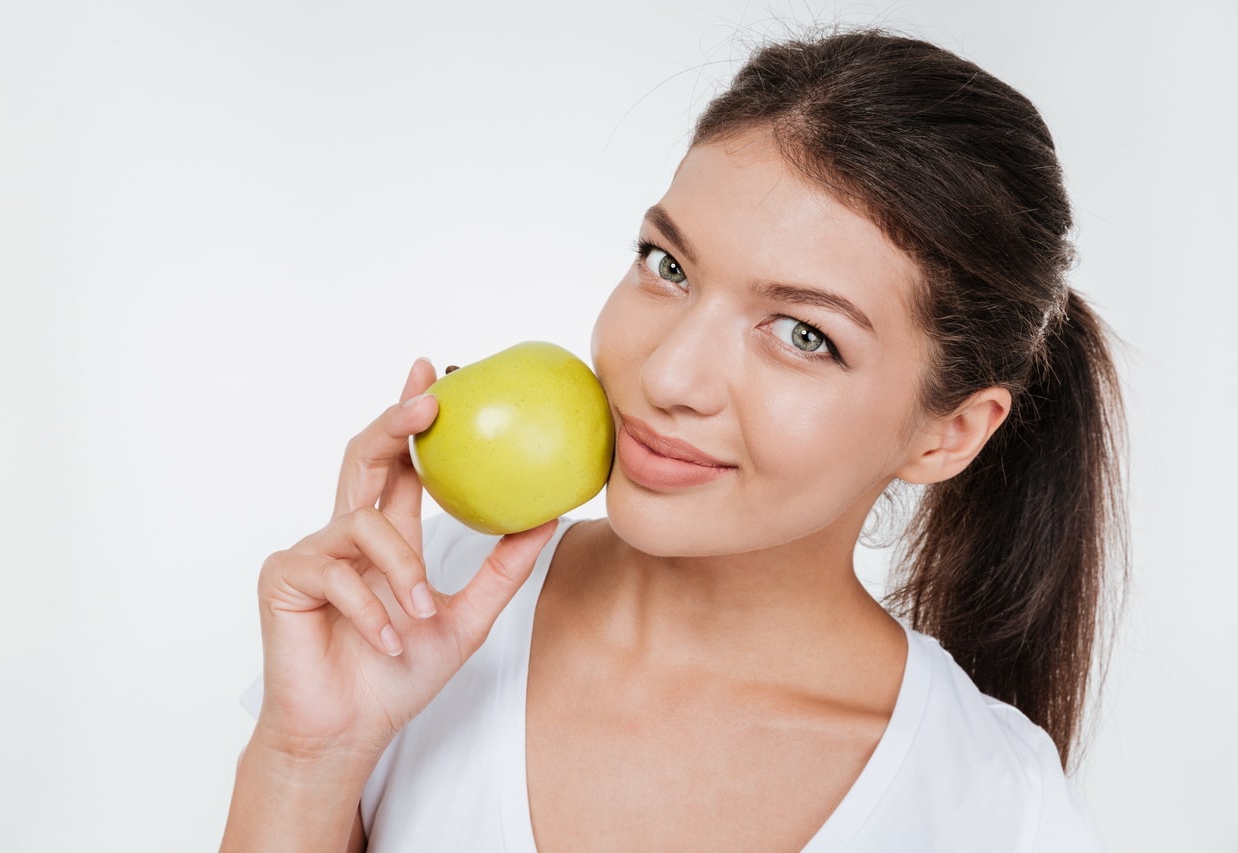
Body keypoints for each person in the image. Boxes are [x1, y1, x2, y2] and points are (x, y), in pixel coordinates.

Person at [221, 27, 1125, 852]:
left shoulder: (996, 811)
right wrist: (309, 758)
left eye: (804, 333)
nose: (665, 378)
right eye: (669, 265)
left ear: (949, 433)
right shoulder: (415, 613)